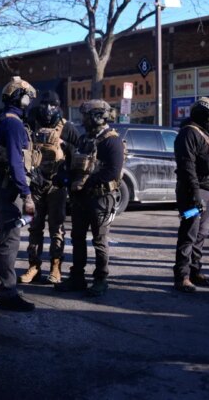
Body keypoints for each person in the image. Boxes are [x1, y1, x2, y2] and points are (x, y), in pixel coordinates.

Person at [55, 99, 125, 297]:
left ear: (96, 117)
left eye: (86, 116)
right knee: (77, 238)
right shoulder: (85, 139)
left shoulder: (112, 140)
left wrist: (87, 182)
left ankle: (101, 279)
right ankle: (77, 277)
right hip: (81, 198)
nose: (82, 120)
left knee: (99, 240)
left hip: (101, 199)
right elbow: (75, 164)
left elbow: (112, 171)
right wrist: (66, 176)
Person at [0, 77, 38, 311]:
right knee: (10, 239)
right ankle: (8, 292)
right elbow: (16, 162)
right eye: (28, 97)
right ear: (21, 97)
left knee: (4, 238)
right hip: (10, 188)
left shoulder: (3, 120)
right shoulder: (14, 124)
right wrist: (26, 193)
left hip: (1, 184)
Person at [19, 91, 80, 285]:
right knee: (34, 227)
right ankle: (34, 267)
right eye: (45, 104)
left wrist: (67, 176)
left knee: (57, 228)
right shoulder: (31, 123)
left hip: (56, 186)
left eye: (52, 105)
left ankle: (56, 267)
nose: (47, 108)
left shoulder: (67, 128)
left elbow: (78, 156)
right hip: (35, 186)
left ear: (59, 106)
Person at [171, 97, 209, 293]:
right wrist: (195, 195)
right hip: (191, 192)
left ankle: (195, 271)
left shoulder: (206, 134)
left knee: (202, 234)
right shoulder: (188, 134)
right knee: (189, 234)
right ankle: (182, 276)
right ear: (201, 116)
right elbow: (187, 167)